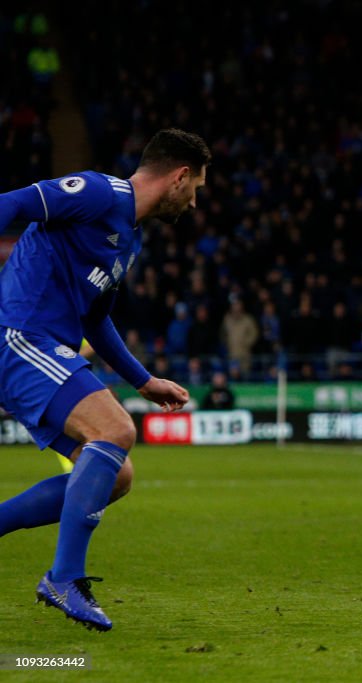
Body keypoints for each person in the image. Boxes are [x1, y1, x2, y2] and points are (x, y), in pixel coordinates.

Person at [0, 128, 209, 631]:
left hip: (47, 348)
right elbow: (9, 204)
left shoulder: (128, 239)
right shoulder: (99, 192)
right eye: (197, 187)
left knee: (117, 475)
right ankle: (63, 577)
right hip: (22, 337)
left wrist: (142, 380)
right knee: (115, 431)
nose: (196, 201)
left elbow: (95, 319)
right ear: (179, 176)